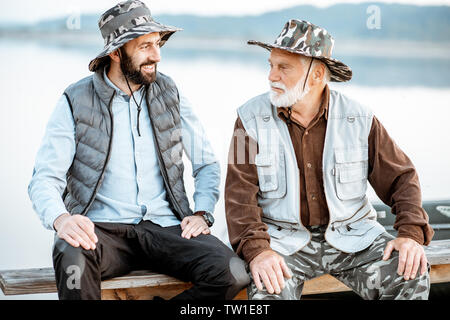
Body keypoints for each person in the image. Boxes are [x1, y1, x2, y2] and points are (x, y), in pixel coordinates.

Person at [28, 0, 249, 300]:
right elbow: (44, 179)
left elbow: (206, 164)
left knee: (232, 272)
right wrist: (61, 219)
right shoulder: (74, 100)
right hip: (101, 231)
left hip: (168, 228)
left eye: (157, 44)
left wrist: (201, 212)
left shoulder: (170, 93)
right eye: (145, 46)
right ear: (116, 53)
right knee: (71, 259)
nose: (156, 55)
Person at [225, 19, 434, 300]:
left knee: (410, 271)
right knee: (267, 292)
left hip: (354, 238)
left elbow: (402, 178)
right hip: (281, 243)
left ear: (316, 75)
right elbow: (239, 198)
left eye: (283, 67)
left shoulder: (359, 118)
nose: (271, 76)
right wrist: (259, 252)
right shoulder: (248, 119)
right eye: (270, 65)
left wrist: (409, 234)